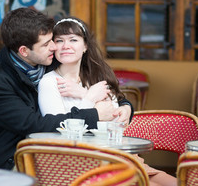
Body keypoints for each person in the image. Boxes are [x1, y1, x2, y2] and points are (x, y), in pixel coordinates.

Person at [0, 8, 133, 169]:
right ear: (24, 51)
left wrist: (126, 107)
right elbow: (34, 125)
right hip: (14, 158)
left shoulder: (50, 60)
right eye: (48, 43)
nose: (56, 47)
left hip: (63, 152)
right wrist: (94, 114)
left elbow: (106, 92)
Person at [38, 17, 177, 186]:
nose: (65, 46)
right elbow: (58, 130)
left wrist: (84, 93)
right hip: (77, 161)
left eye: (73, 40)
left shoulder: (96, 78)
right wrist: (90, 98)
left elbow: (114, 120)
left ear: (85, 46)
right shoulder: (49, 82)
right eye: (59, 41)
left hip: (113, 155)